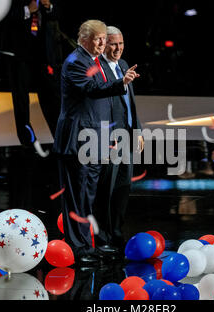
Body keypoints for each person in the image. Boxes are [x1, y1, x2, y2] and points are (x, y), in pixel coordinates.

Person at [52, 20, 140, 265]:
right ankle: (78, 249)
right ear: (84, 39)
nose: (102, 43)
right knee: (77, 196)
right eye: (98, 39)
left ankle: (87, 245)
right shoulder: (75, 62)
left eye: (104, 38)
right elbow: (92, 89)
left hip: (94, 141)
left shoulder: (92, 61)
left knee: (88, 196)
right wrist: (120, 83)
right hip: (78, 140)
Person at [95, 26, 144, 252]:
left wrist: (138, 131)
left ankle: (115, 232)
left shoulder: (124, 65)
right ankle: (102, 237)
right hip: (110, 139)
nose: (118, 48)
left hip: (127, 136)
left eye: (121, 43)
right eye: (113, 44)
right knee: (107, 189)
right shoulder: (98, 69)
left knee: (123, 187)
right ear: (104, 44)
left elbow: (130, 105)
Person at [1, 0, 64, 156]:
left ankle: (60, 138)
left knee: (50, 94)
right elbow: (1, 15)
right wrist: (27, 10)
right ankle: (27, 142)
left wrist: (49, 6)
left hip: (41, 52)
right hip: (18, 52)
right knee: (21, 98)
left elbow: (57, 14)